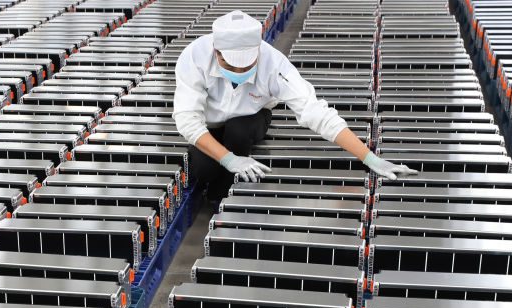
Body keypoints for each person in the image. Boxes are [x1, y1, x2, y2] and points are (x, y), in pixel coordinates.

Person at [173, 10, 417, 202]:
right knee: (204, 170)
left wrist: (370, 158)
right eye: (230, 65)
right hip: (208, 123)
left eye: (246, 65)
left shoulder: (274, 64)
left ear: (257, 51)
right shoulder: (194, 57)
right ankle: (217, 178)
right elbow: (187, 119)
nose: (239, 72)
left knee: (238, 132)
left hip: (251, 118)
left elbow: (315, 111)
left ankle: (225, 195)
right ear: (216, 52)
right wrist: (228, 158)